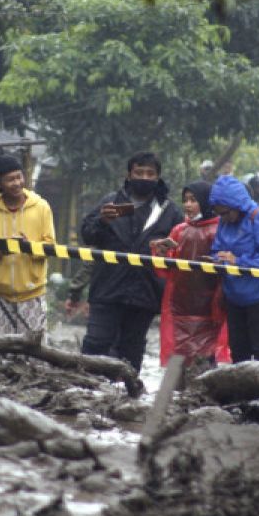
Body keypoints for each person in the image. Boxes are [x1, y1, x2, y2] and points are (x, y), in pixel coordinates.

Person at [80, 152, 183, 373]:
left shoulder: (169, 211)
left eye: (150, 174)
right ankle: (85, 390)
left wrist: (169, 248)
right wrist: (102, 221)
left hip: (145, 292)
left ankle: (128, 394)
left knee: (132, 349)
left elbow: (181, 248)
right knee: (96, 342)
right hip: (107, 287)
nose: (144, 178)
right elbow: (88, 235)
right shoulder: (111, 202)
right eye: (139, 172)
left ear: (157, 177)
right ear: (129, 174)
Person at [150, 181, 229, 368]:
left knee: (206, 359)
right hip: (180, 306)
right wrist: (160, 252)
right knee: (179, 358)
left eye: (193, 200)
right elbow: (165, 270)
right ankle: (178, 394)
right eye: (185, 200)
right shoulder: (179, 230)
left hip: (210, 308)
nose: (187, 205)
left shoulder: (220, 231)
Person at [209, 175, 259, 362]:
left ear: (238, 205)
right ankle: (241, 392)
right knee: (238, 353)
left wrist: (238, 261)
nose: (224, 218)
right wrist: (216, 260)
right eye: (220, 214)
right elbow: (217, 249)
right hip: (234, 297)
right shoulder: (223, 222)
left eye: (226, 213)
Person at [0, 155, 56, 336]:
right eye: (10, 179)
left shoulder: (41, 207)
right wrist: (3, 248)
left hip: (32, 293)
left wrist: (28, 246)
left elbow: (50, 246)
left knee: (35, 353)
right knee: (1, 353)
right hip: (0, 294)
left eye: (19, 177)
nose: (17, 183)